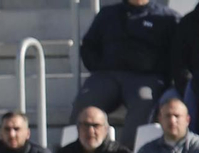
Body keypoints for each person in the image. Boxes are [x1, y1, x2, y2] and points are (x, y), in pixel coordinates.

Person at [74, 0, 178, 129]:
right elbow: (88, 46)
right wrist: (99, 67)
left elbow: (177, 55)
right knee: (85, 102)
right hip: (106, 76)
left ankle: (131, 149)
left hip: (146, 79)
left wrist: (161, 75)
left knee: (144, 104)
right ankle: (74, 147)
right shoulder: (107, 14)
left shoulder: (167, 18)